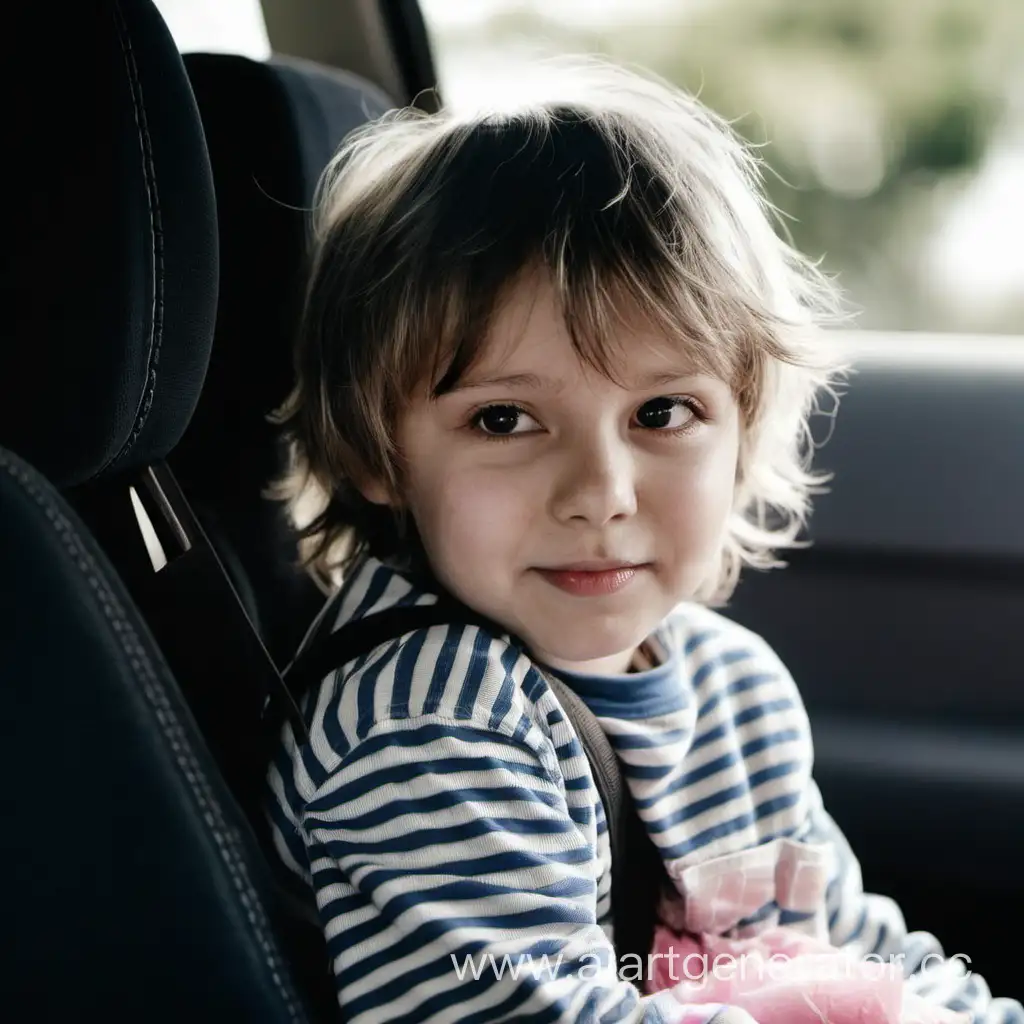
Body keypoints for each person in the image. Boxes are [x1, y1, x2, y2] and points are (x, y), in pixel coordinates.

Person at [265, 55, 1022, 1023]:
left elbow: (851, 947)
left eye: (662, 410)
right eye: (504, 420)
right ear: (377, 452)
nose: (600, 492)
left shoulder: (729, 686)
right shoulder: (425, 721)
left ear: (744, 425)